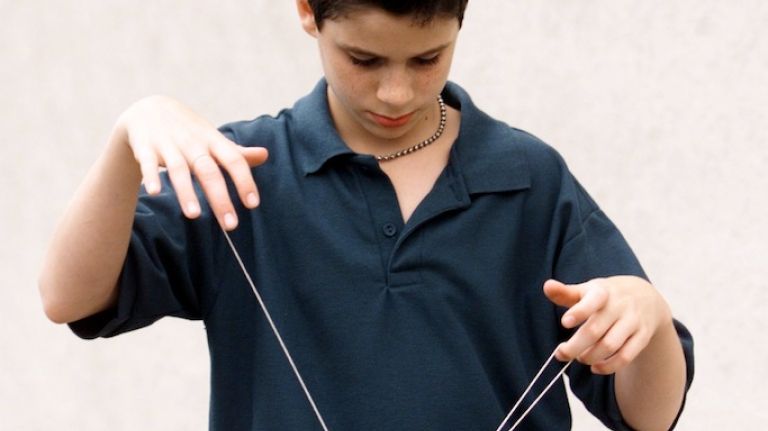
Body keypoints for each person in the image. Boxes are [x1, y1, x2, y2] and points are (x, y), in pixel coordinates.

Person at [38, 1, 694, 430]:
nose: (396, 91)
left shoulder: (529, 179)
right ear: (307, 13)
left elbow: (651, 415)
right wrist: (129, 134)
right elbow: (67, 296)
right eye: (364, 59)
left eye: (427, 58)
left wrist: (648, 314)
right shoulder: (239, 168)